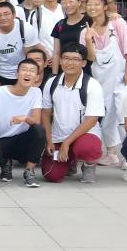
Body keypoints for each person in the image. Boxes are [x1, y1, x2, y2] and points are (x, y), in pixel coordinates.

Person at [80, 0, 127, 167]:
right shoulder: (85, 31)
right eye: (89, 5)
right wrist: (88, 39)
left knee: (124, 113)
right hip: (102, 77)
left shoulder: (117, 23)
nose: (92, 8)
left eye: (96, 4)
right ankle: (111, 153)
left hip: (123, 75)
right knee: (107, 115)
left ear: (105, 6)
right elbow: (90, 58)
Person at [41, 43, 105, 184]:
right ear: (60, 60)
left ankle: (88, 165)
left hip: (84, 135)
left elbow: (91, 120)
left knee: (87, 148)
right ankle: (70, 162)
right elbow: (45, 113)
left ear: (83, 63)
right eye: (66, 58)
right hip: (58, 136)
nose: (70, 63)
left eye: (75, 59)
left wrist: (67, 143)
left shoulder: (92, 85)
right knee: (51, 176)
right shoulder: (51, 83)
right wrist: (49, 140)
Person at [0, 59, 45, 187]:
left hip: (22, 139)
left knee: (39, 130)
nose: (27, 73)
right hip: (1, 139)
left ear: (37, 77)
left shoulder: (36, 92)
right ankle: (6, 163)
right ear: (16, 74)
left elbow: (36, 121)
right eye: (24, 70)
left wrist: (25, 118)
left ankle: (29, 171)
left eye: (32, 71)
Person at [0, 2, 42, 86]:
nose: (3, 18)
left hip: (23, 72)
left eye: (6, 14)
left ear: (14, 15)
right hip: (1, 73)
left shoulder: (26, 28)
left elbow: (29, 57)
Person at [50, 0, 88, 74]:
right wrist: (54, 74)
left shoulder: (89, 21)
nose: (67, 5)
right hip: (65, 69)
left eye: (71, 1)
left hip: (86, 68)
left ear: (79, 2)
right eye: (64, 2)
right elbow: (56, 52)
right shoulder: (60, 25)